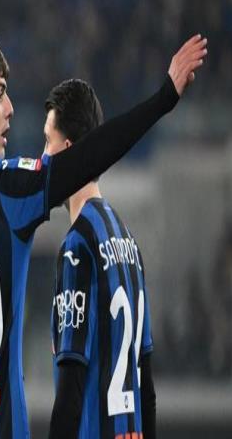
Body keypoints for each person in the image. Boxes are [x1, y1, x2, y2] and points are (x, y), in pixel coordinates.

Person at [0, 34, 207, 438]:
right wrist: (164, 97)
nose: (10, 109)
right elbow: (89, 156)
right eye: (0, 94)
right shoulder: (5, 188)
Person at [43, 79, 155, 439]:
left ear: (69, 152)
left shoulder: (77, 246)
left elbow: (71, 389)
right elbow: (146, 388)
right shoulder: (128, 241)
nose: (43, 157)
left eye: (48, 141)